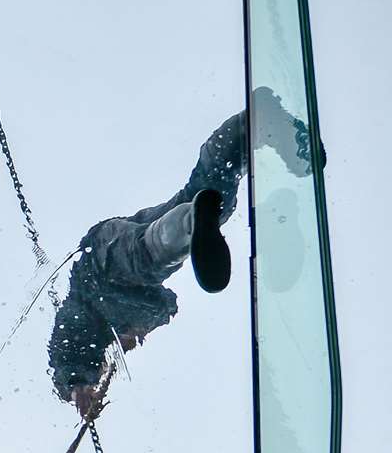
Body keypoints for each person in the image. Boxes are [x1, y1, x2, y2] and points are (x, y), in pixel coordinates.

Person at [47, 87, 316, 417]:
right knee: (209, 197)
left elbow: (63, 346)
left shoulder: (81, 316)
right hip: (125, 244)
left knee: (148, 258)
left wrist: (77, 387)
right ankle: (252, 126)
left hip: (103, 259)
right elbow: (167, 302)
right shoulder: (123, 324)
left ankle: (192, 219)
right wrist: (140, 330)